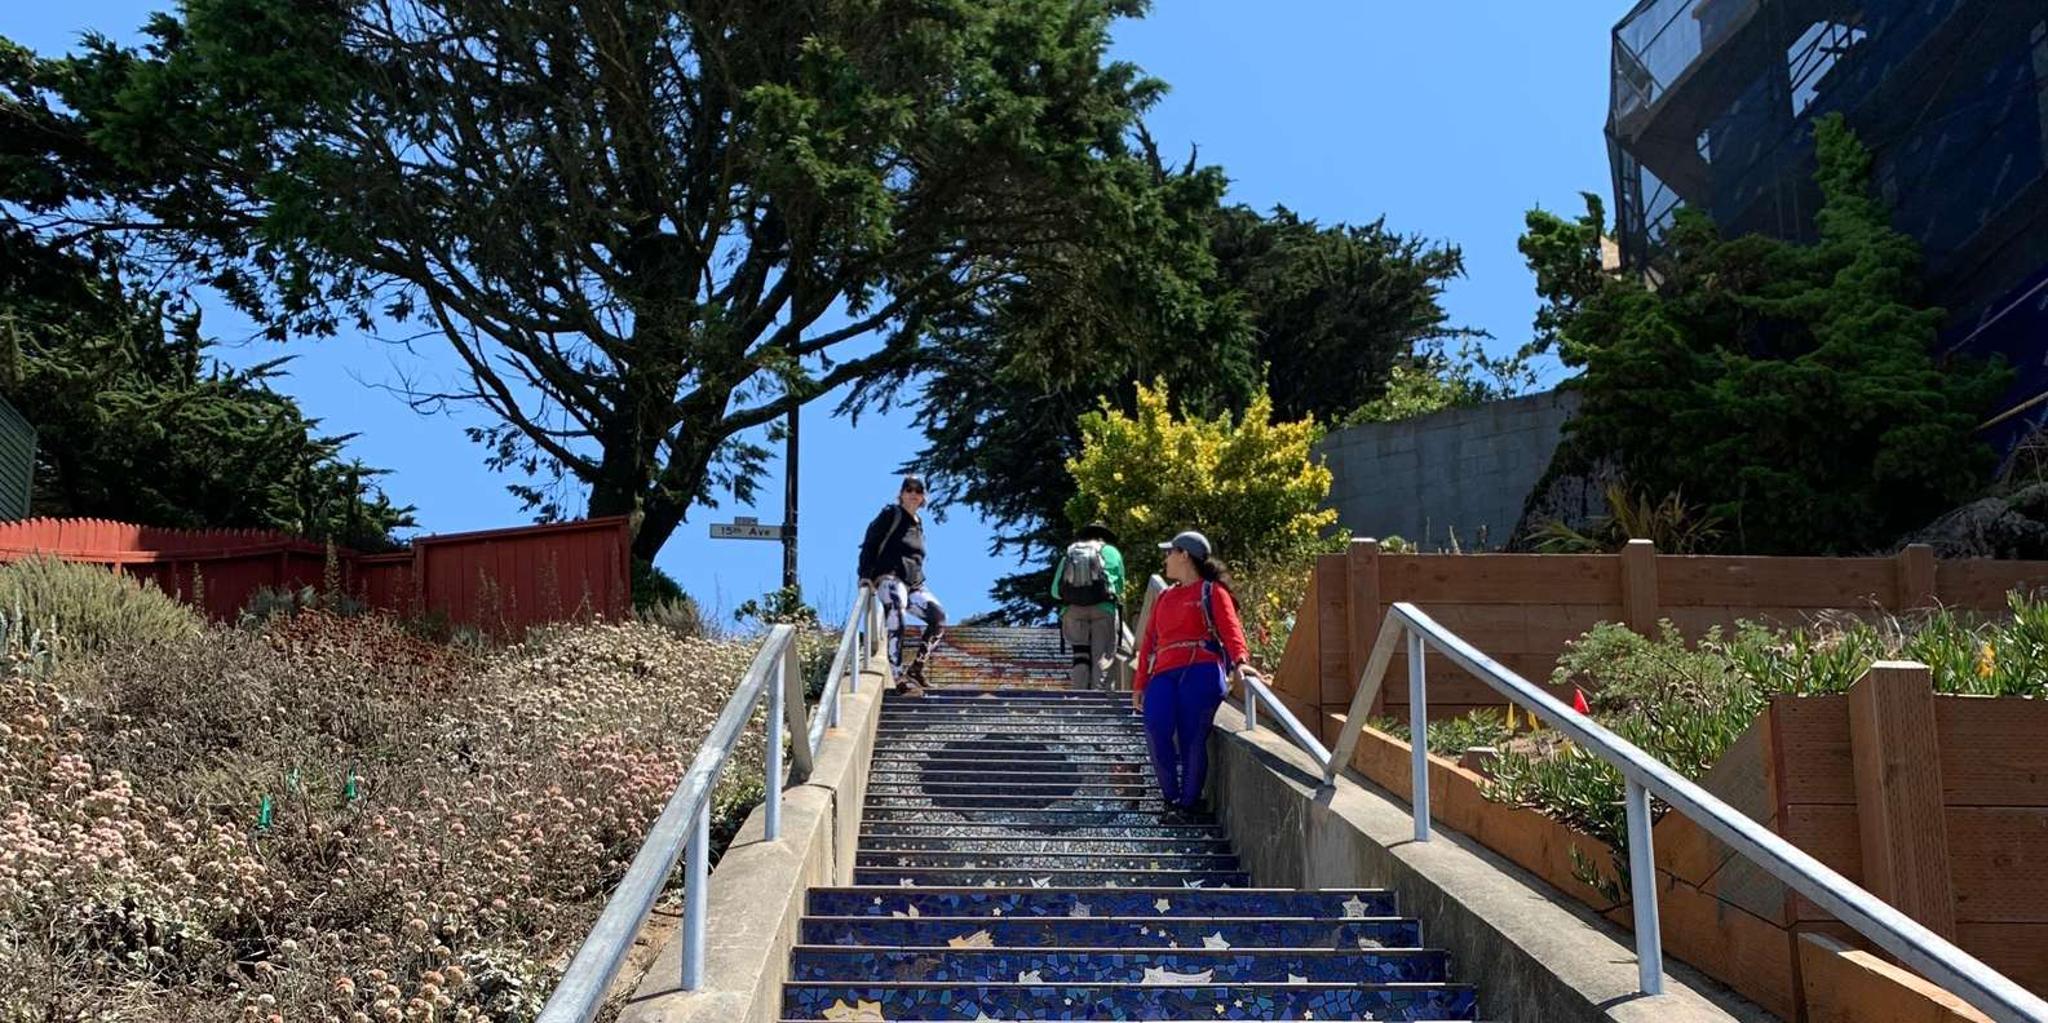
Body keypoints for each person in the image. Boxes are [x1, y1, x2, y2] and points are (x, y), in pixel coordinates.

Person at [1131, 530, 1260, 813]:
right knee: (1155, 727)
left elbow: (1230, 629)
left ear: (1184, 555)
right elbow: (1149, 643)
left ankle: (1187, 804)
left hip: (1201, 671)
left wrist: (1240, 661)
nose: (1165, 558)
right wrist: (1140, 685)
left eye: (1170, 552)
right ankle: (1171, 796)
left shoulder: (1212, 591)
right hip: (1164, 674)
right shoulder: (1164, 597)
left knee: (1192, 737)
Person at [857, 474, 946, 695]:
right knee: (897, 614)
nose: (914, 494)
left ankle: (916, 668)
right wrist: (865, 574)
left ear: (923, 497)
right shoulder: (891, 514)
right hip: (889, 577)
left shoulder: (919, 523)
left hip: (913, 582)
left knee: (939, 619)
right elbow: (870, 542)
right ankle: (898, 678)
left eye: (918, 490)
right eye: (909, 489)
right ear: (901, 493)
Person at [1051, 522, 1126, 690]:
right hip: (1103, 609)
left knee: (1080, 656)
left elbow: (1055, 591)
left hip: (1073, 611)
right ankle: (1100, 697)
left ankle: (1079, 695)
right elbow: (1119, 587)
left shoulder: (1071, 553)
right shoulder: (1112, 552)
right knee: (1102, 656)